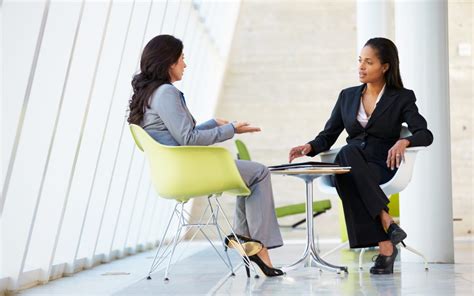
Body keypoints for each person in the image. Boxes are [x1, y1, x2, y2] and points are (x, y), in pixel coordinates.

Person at [127, 34, 284, 277]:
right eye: (182, 58)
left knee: (249, 176)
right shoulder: (166, 93)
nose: (185, 64)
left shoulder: (150, 95)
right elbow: (188, 139)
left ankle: (245, 240)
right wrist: (229, 130)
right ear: (169, 62)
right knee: (259, 172)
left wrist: (216, 125)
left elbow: (181, 136)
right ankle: (259, 249)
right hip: (189, 171)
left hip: (177, 171)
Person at [289, 37, 433, 274]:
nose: (361, 67)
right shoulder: (347, 96)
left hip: (379, 166)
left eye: (369, 62)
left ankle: (386, 245)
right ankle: (386, 226)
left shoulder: (402, 97)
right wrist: (308, 147)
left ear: (385, 66)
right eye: (360, 61)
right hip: (350, 165)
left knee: (347, 161)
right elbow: (328, 135)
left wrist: (404, 140)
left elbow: (425, 133)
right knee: (348, 156)